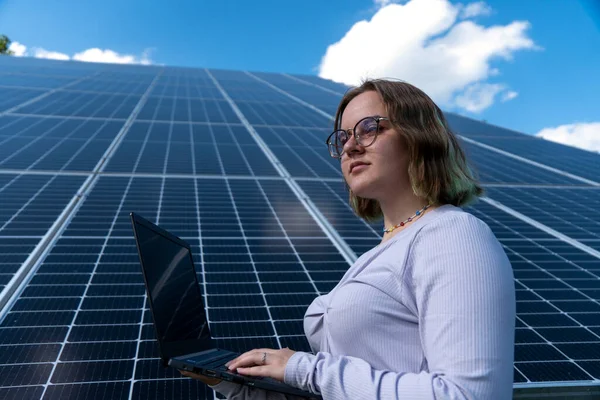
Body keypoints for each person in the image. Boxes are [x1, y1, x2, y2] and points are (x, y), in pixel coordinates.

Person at [181, 79, 516, 399]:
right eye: (343, 138)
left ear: (419, 136)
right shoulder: (380, 254)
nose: (351, 146)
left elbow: (469, 395)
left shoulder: (453, 234)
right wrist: (240, 386)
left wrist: (302, 368)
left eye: (370, 128)